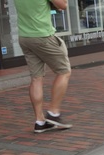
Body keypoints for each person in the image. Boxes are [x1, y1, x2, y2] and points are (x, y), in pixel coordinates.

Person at [12, 0, 72, 133]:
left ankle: (40, 121)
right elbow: (63, 5)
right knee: (64, 72)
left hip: (25, 37)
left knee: (36, 78)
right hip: (43, 36)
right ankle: (54, 113)